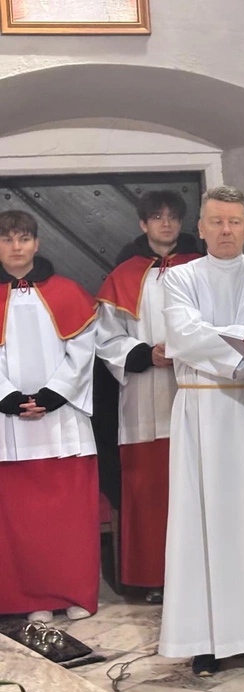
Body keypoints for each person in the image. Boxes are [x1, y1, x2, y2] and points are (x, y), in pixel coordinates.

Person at [158, 186, 244, 678]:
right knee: (200, 522)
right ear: (201, 228)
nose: (226, 230)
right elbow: (184, 336)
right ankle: (205, 641)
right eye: (216, 221)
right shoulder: (180, 278)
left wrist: (234, 343)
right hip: (200, 412)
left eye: (234, 221)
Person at [95, 190, 202, 604]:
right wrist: (144, 354)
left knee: (195, 488)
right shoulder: (122, 276)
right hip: (144, 401)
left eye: (173, 216)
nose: (166, 223)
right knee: (149, 492)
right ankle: (154, 578)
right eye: (157, 217)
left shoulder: (202, 268)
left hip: (196, 392)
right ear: (143, 224)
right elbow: (106, 338)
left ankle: (196, 574)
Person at [0, 210, 100, 623]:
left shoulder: (67, 291)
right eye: (7, 239)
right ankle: (31, 597)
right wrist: (7, 397)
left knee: (69, 518)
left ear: (37, 243)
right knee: (22, 520)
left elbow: (84, 348)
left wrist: (55, 393)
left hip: (63, 421)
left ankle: (73, 591)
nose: (16, 246)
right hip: (8, 425)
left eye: (23, 238)